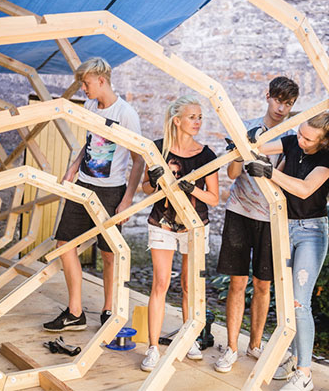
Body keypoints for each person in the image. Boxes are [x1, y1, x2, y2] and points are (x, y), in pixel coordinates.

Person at [45, 57, 144, 332]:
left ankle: (108, 309)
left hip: (111, 192)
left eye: (86, 83)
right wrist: (73, 168)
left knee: (109, 253)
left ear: (101, 80)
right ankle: (75, 312)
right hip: (83, 186)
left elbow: (138, 160)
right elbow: (89, 144)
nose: (83, 89)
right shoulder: (90, 106)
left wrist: (127, 200)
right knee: (64, 244)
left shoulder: (126, 114)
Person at [246, 112, 329, 391]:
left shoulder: (327, 159)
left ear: (323, 141)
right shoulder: (292, 143)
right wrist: (250, 139)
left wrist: (270, 172)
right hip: (285, 226)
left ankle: (305, 374)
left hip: (311, 232)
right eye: (299, 133)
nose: (300, 140)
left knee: (299, 302)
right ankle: (296, 358)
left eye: (307, 138)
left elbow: (304, 189)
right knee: (287, 301)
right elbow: (259, 147)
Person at [214, 76, 300, 373]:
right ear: (267, 96)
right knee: (237, 282)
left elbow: (288, 180)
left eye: (288, 103)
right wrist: (243, 146)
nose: (281, 108)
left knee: (263, 285)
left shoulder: (292, 136)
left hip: (271, 216)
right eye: (278, 100)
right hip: (240, 210)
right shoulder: (246, 126)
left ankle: (254, 345)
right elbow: (231, 173)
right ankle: (231, 348)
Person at [139, 95, 219, 372]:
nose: (197, 122)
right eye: (192, 117)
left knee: (189, 285)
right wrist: (152, 182)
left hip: (194, 226)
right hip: (162, 222)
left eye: (200, 117)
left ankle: (189, 339)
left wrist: (192, 188)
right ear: (177, 120)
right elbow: (145, 189)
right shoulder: (157, 150)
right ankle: (152, 347)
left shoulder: (206, 155)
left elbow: (214, 198)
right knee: (160, 283)